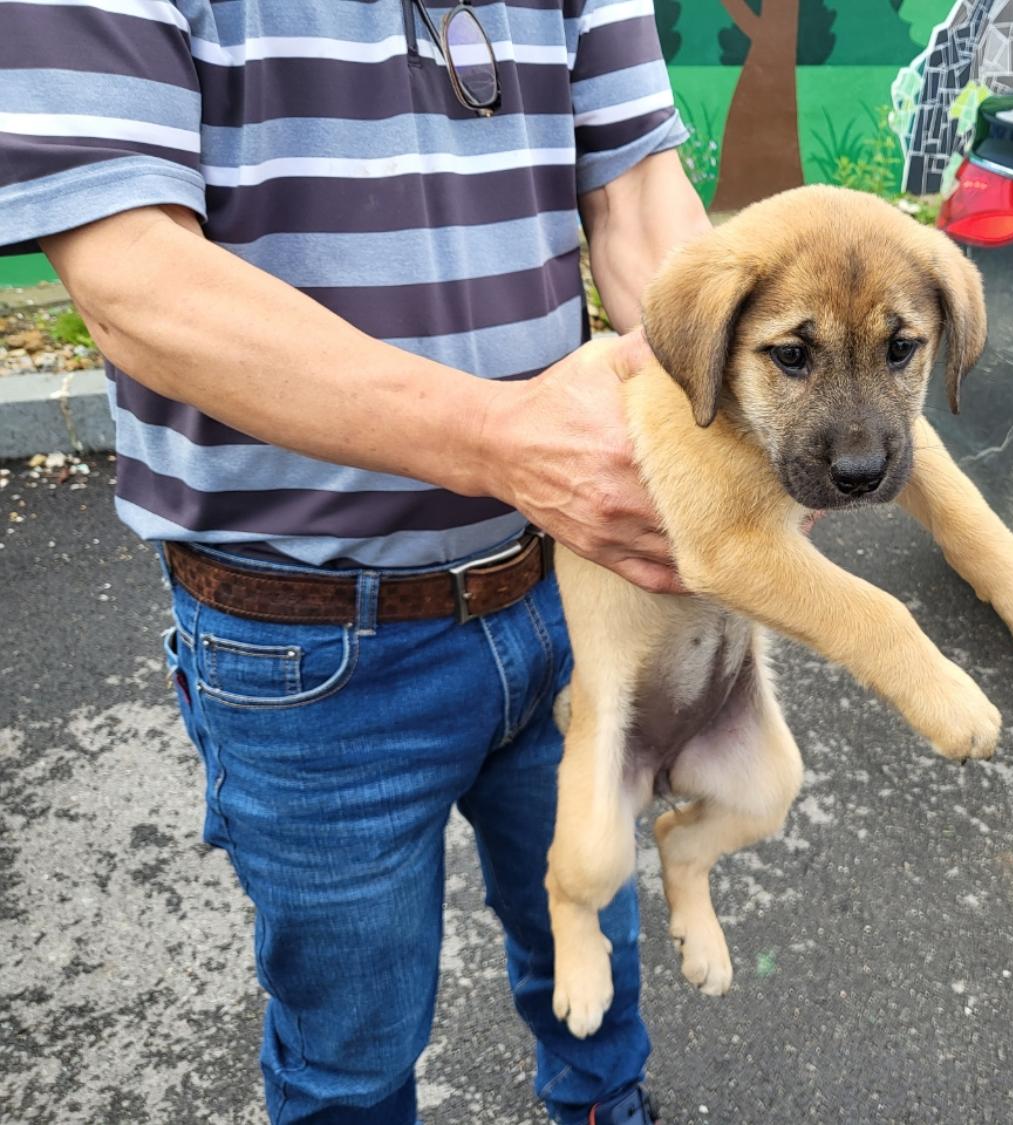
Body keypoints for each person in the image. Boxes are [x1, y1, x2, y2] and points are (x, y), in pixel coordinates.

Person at [0, 0, 712, 1121]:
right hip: (310, 651)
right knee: (352, 1058)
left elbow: (637, 200)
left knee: (595, 940)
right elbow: (132, 276)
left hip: (565, 588)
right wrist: (504, 444)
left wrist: (738, 426)